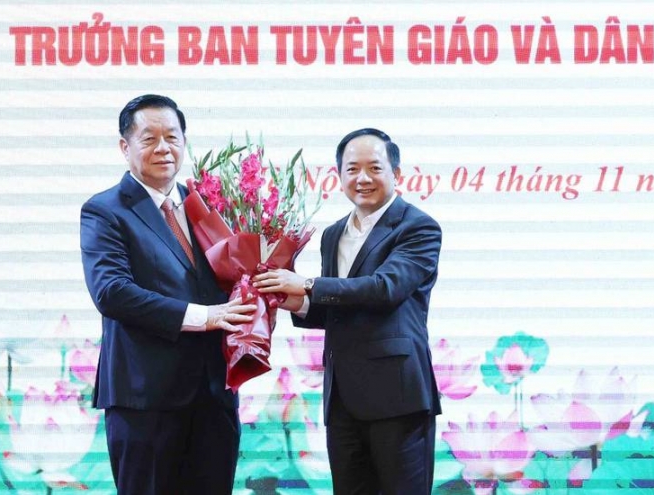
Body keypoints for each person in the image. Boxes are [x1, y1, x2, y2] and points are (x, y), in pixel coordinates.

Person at [80, 94, 256, 494]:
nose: (163, 148)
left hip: (214, 397)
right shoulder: (105, 211)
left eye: (172, 137)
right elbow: (111, 291)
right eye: (149, 138)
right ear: (125, 147)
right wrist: (205, 316)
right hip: (146, 400)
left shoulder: (209, 206)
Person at [253, 128, 442, 494]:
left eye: (375, 168)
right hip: (342, 400)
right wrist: (291, 299)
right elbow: (337, 308)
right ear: (339, 176)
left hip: (397, 398)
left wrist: (307, 284)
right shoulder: (333, 234)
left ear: (396, 174)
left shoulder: (418, 227)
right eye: (352, 169)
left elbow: (385, 289)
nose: (363, 178)